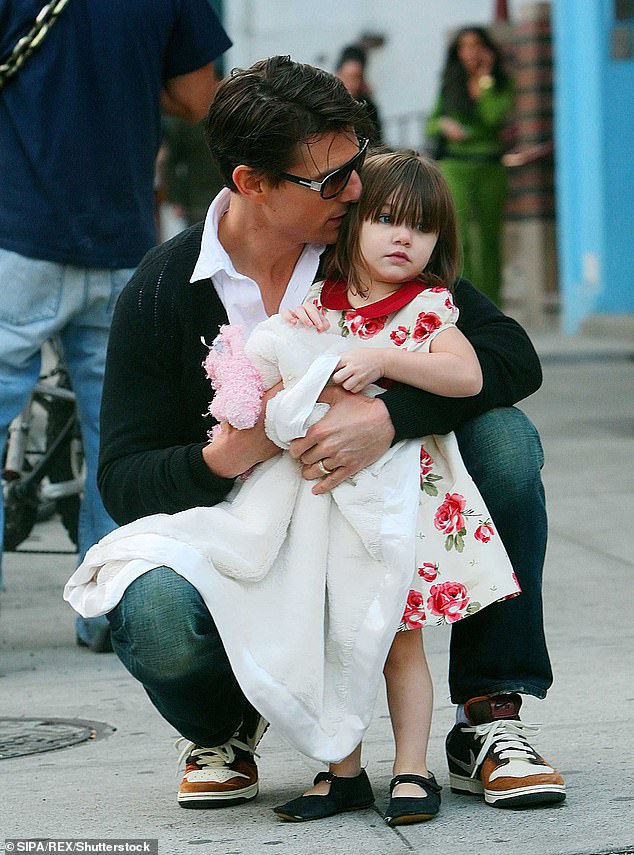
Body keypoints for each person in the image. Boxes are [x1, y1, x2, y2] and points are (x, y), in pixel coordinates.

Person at [75, 55, 563, 812]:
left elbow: (506, 358)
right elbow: (126, 476)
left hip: (374, 504)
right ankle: (226, 726)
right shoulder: (167, 288)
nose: (360, 190)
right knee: (153, 609)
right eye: (331, 179)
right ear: (251, 182)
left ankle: (488, 715)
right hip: (254, 521)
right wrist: (230, 453)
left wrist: (388, 416)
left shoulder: (365, 252)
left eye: (356, 163)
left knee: (504, 440)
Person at [0, 0, 230, 650]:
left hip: (18, 237)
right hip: (126, 242)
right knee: (120, 433)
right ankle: (106, 610)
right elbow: (196, 96)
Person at [425, 26, 514, 306]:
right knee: (459, 235)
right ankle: (464, 300)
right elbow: (431, 122)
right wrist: (443, 124)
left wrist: (485, 78)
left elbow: (492, 116)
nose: (471, 52)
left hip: (489, 165)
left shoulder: (500, 84)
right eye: (464, 46)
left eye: (476, 45)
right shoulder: (450, 84)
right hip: (456, 164)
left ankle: (492, 303)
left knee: (489, 237)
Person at [335, 44, 383, 144]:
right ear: (338, 75)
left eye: (357, 78)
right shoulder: (327, 105)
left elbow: (377, 141)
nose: (353, 84)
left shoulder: (369, 108)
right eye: (349, 77)